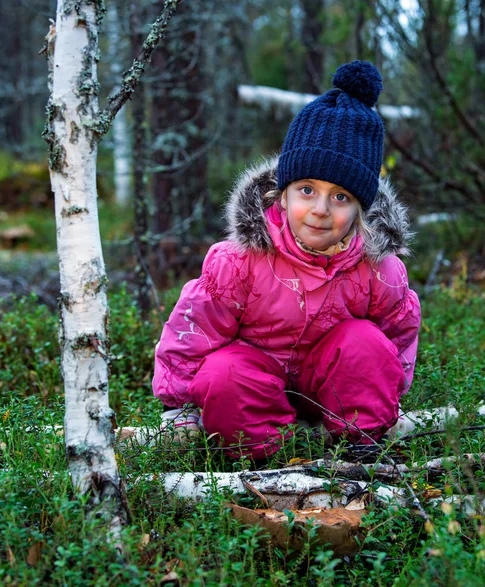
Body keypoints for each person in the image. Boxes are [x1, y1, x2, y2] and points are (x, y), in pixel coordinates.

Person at [152, 61, 421, 459]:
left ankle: (361, 443)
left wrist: (386, 398)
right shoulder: (239, 261)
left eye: (341, 197)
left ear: (361, 208)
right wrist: (178, 407)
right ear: (282, 194)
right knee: (225, 373)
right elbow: (192, 333)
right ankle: (263, 457)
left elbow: (396, 337)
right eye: (308, 190)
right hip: (256, 384)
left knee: (364, 343)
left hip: (327, 388)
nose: (321, 210)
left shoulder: (378, 269)